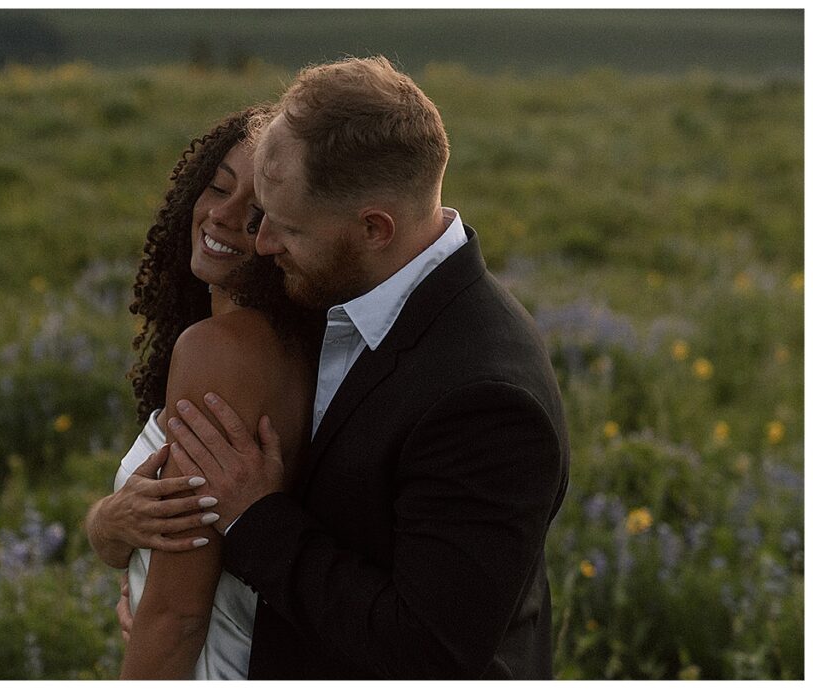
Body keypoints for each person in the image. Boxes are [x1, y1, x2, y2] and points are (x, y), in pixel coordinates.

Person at [157, 56, 572, 679]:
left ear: (375, 228)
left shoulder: (486, 397)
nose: (263, 245)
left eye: (287, 227)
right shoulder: (335, 295)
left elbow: (426, 652)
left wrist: (255, 519)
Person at [84, 106, 324, 679]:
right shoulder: (282, 341)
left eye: (257, 213)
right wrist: (107, 524)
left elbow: (177, 616)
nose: (221, 215)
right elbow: (157, 538)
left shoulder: (223, 352)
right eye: (217, 186)